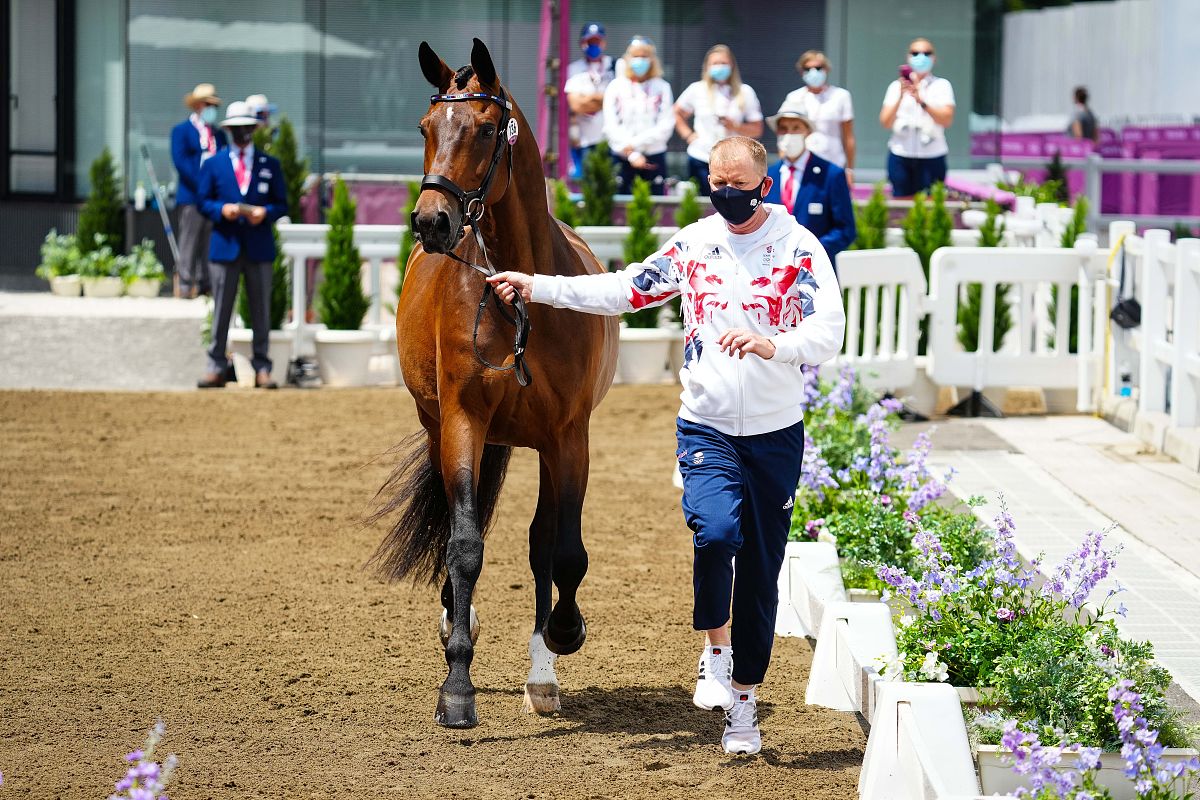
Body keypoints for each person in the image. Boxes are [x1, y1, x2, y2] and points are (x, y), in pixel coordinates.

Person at [486, 137, 845, 756]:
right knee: (715, 531)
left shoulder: (798, 249)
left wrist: (775, 346)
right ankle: (715, 652)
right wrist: (537, 286)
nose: (724, 192)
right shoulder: (696, 244)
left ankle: (745, 706)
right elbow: (624, 291)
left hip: (775, 432)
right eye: (715, 180)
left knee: (760, 576)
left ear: (764, 185)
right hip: (704, 424)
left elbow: (828, 330)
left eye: (737, 182)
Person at [195, 101, 288, 390]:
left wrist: (267, 213)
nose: (243, 133)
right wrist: (221, 210)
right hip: (225, 245)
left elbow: (282, 203)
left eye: (248, 127)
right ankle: (215, 365)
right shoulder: (213, 164)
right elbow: (202, 201)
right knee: (221, 309)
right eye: (238, 128)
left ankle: (262, 366)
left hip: (258, 246)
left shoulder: (269, 165)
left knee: (261, 310)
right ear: (229, 130)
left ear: (253, 129)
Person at [764, 101, 856, 268]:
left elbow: (846, 230)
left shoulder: (831, 174)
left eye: (796, 128)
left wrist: (811, 250)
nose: (789, 134)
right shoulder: (768, 175)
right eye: (783, 129)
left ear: (807, 131)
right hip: (773, 272)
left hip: (816, 271)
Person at [674, 45, 764, 196]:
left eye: (723, 63)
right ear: (707, 67)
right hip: (701, 156)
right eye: (715, 63)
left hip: (733, 161)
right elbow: (677, 113)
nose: (719, 67)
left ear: (732, 66)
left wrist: (735, 126)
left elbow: (757, 129)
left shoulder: (745, 92)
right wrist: (689, 136)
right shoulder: (697, 89)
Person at [879, 37, 955, 198]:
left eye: (926, 53)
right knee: (901, 207)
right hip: (901, 154)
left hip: (932, 156)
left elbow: (946, 120)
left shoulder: (942, 85)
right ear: (908, 57)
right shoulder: (895, 86)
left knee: (930, 206)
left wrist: (922, 101)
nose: (921, 57)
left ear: (934, 58)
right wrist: (901, 96)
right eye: (915, 53)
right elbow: (885, 122)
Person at [170, 83, 227, 298]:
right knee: (189, 241)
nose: (212, 109)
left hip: (214, 199)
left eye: (214, 105)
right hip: (192, 196)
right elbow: (181, 163)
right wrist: (203, 186)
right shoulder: (182, 132)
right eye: (208, 104)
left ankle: (207, 283)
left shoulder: (219, 136)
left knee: (210, 241)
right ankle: (185, 284)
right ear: (198, 106)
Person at [602, 36, 674, 194]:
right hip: (622, 157)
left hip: (653, 156)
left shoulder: (662, 87)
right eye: (635, 56)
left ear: (652, 59)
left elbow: (665, 125)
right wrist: (632, 154)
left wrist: (635, 145)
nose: (640, 60)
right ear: (627, 59)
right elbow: (610, 126)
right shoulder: (616, 87)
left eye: (644, 56)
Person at [782, 50, 856, 185]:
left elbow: (848, 137)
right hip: (802, 163)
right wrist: (785, 164)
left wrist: (849, 170)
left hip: (833, 161)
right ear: (801, 72)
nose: (813, 72)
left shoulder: (841, 96)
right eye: (808, 69)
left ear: (826, 69)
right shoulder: (794, 97)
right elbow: (783, 132)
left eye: (818, 68)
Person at [565, 24, 617, 179]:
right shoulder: (574, 69)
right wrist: (608, 97)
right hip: (585, 141)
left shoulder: (615, 65)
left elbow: (622, 99)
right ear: (582, 43)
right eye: (590, 41)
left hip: (612, 141)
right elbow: (576, 104)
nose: (594, 45)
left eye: (597, 41)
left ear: (604, 43)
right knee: (588, 188)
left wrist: (590, 98)